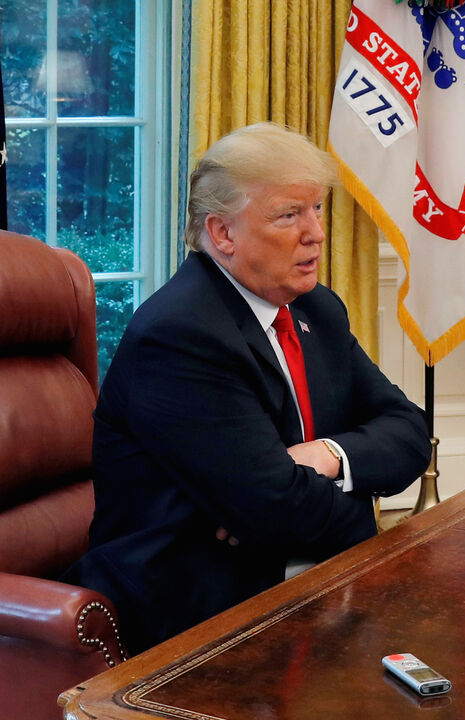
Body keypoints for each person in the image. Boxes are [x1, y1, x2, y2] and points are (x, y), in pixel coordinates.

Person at [63, 123, 432, 652]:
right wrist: (357, 499)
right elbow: (275, 508)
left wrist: (325, 457)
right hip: (194, 621)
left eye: (317, 209)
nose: (316, 233)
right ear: (223, 233)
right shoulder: (180, 334)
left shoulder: (315, 310)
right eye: (289, 215)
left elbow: (410, 432)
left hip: (304, 588)